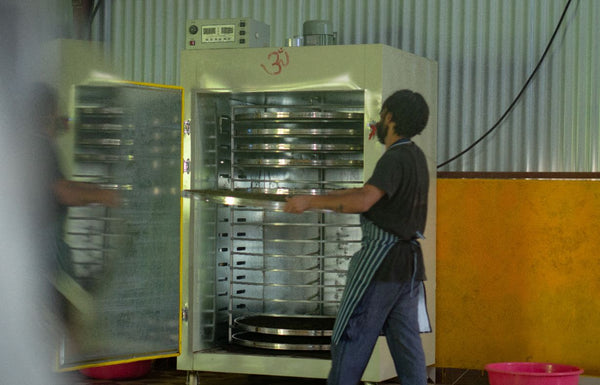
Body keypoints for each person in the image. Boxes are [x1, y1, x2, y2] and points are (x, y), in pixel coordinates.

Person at [284, 89, 432, 385]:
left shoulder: (394, 158)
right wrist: (316, 195)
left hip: (383, 265)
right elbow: (369, 193)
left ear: (389, 117)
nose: (378, 121)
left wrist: (310, 203)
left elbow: (364, 201)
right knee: (407, 347)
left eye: (381, 114)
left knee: (352, 336)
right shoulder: (415, 157)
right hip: (408, 269)